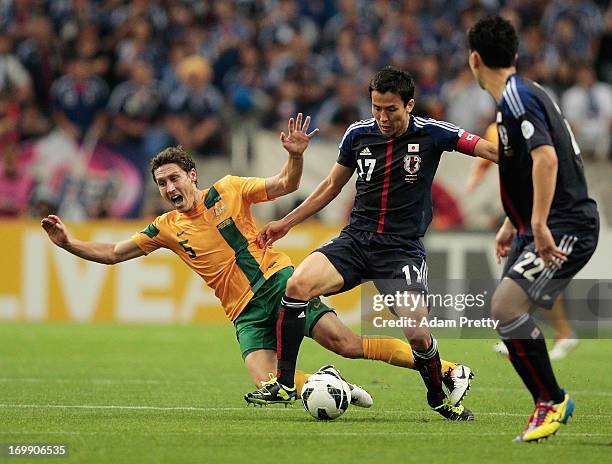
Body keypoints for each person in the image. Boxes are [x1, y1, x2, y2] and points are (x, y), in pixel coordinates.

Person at [41, 114, 473, 408]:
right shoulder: (166, 226)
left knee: (347, 344)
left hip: (276, 282)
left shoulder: (230, 188)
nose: (169, 187)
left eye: (174, 178)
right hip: (242, 312)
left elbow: (287, 183)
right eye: (161, 183)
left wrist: (296, 155)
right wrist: (67, 243)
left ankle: (449, 368)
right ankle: (332, 386)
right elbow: (115, 253)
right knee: (265, 383)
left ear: (192, 175)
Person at [249, 67, 498, 420]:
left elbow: (481, 146)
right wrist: (286, 222)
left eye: (390, 109)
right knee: (297, 285)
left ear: (409, 105)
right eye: (376, 108)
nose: (382, 117)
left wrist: (520, 158)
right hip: (356, 240)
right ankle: (286, 383)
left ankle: (438, 398)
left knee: (416, 331)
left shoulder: (432, 133)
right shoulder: (357, 134)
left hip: (400, 250)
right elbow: (331, 187)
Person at [467, 16, 599, 442]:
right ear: (515, 55)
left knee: (506, 309)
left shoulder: (515, 100)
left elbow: (546, 159)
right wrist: (515, 221)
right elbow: (529, 169)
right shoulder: (526, 94)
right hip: (547, 222)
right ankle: (549, 398)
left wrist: (537, 224)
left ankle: (551, 400)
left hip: (566, 225)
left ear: (474, 60)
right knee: (506, 312)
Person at [466, 123, 580, 361]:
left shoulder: (528, 127)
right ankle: (525, 336)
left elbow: (541, 168)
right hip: (522, 211)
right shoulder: (497, 130)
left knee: (534, 279)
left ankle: (558, 334)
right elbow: (488, 160)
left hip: (539, 211)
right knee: (523, 278)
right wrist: (475, 179)